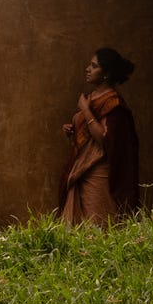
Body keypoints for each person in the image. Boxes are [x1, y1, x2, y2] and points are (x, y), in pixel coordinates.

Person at [58, 47, 139, 225]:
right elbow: (88, 135)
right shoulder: (92, 96)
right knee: (76, 228)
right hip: (81, 170)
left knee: (97, 226)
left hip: (97, 173)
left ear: (106, 74)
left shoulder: (113, 103)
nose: (88, 69)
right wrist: (72, 130)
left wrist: (86, 111)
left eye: (94, 66)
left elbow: (105, 139)